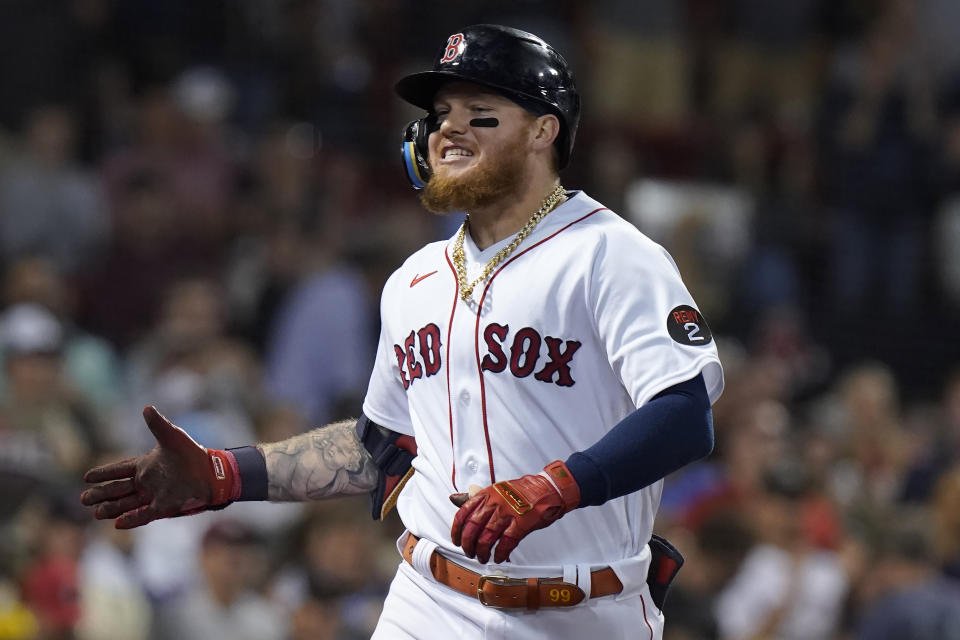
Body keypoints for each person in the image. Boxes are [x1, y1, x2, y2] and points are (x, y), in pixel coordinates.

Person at [81, 25, 723, 639]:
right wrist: (227, 474)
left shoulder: (610, 255)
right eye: (441, 112)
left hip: (583, 611)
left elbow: (683, 414)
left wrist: (556, 486)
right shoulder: (414, 281)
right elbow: (381, 449)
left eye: (480, 110)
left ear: (542, 131)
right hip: (429, 604)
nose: (450, 127)